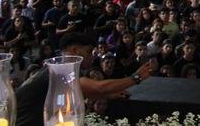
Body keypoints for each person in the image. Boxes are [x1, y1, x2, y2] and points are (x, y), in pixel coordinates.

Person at [15, 32, 152, 126]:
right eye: (88, 52)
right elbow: (98, 87)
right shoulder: (62, 69)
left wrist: (109, 95)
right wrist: (135, 77)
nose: (92, 57)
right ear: (75, 50)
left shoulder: (54, 67)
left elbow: (83, 91)